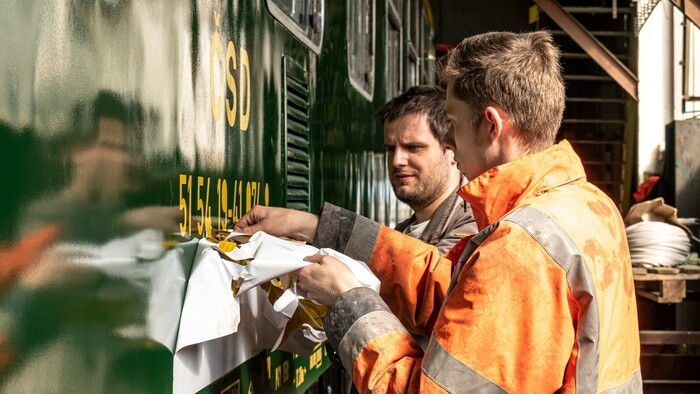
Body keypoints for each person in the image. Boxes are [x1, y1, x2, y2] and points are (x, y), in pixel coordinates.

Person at [235, 31, 642, 392]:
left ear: (491, 125)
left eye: (452, 123)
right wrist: (322, 227)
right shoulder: (589, 206)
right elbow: (453, 291)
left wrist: (349, 301)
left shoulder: (521, 248)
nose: (449, 141)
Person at [380, 85, 476, 255]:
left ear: (451, 148)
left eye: (414, 147)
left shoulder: (474, 224)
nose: (397, 161)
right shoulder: (405, 230)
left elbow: (428, 278)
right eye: (390, 149)